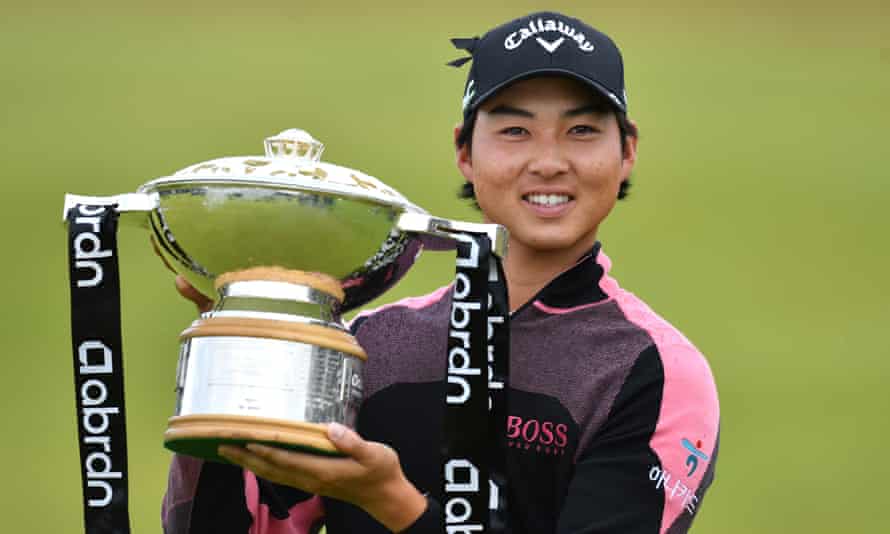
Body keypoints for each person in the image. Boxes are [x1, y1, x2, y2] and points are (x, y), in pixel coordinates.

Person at [162, 11, 720, 534]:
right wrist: (230, 366)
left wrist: (392, 501)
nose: (549, 161)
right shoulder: (371, 343)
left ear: (626, 152)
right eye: (515, 131)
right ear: (465, 152)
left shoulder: (652, 371)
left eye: (581, 131)